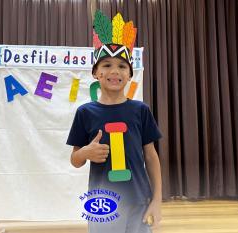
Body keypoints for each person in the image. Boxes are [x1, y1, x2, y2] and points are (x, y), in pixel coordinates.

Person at [66, 10, 162, 233]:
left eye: (121, 66)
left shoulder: (141, 110)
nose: (114, 71)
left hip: (140, 200)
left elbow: (151, 156)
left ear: (129, 74)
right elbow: (75, 160)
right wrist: (86, 153)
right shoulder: (85, 112)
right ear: (96, 73)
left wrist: (156, 200)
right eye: (107, 65)